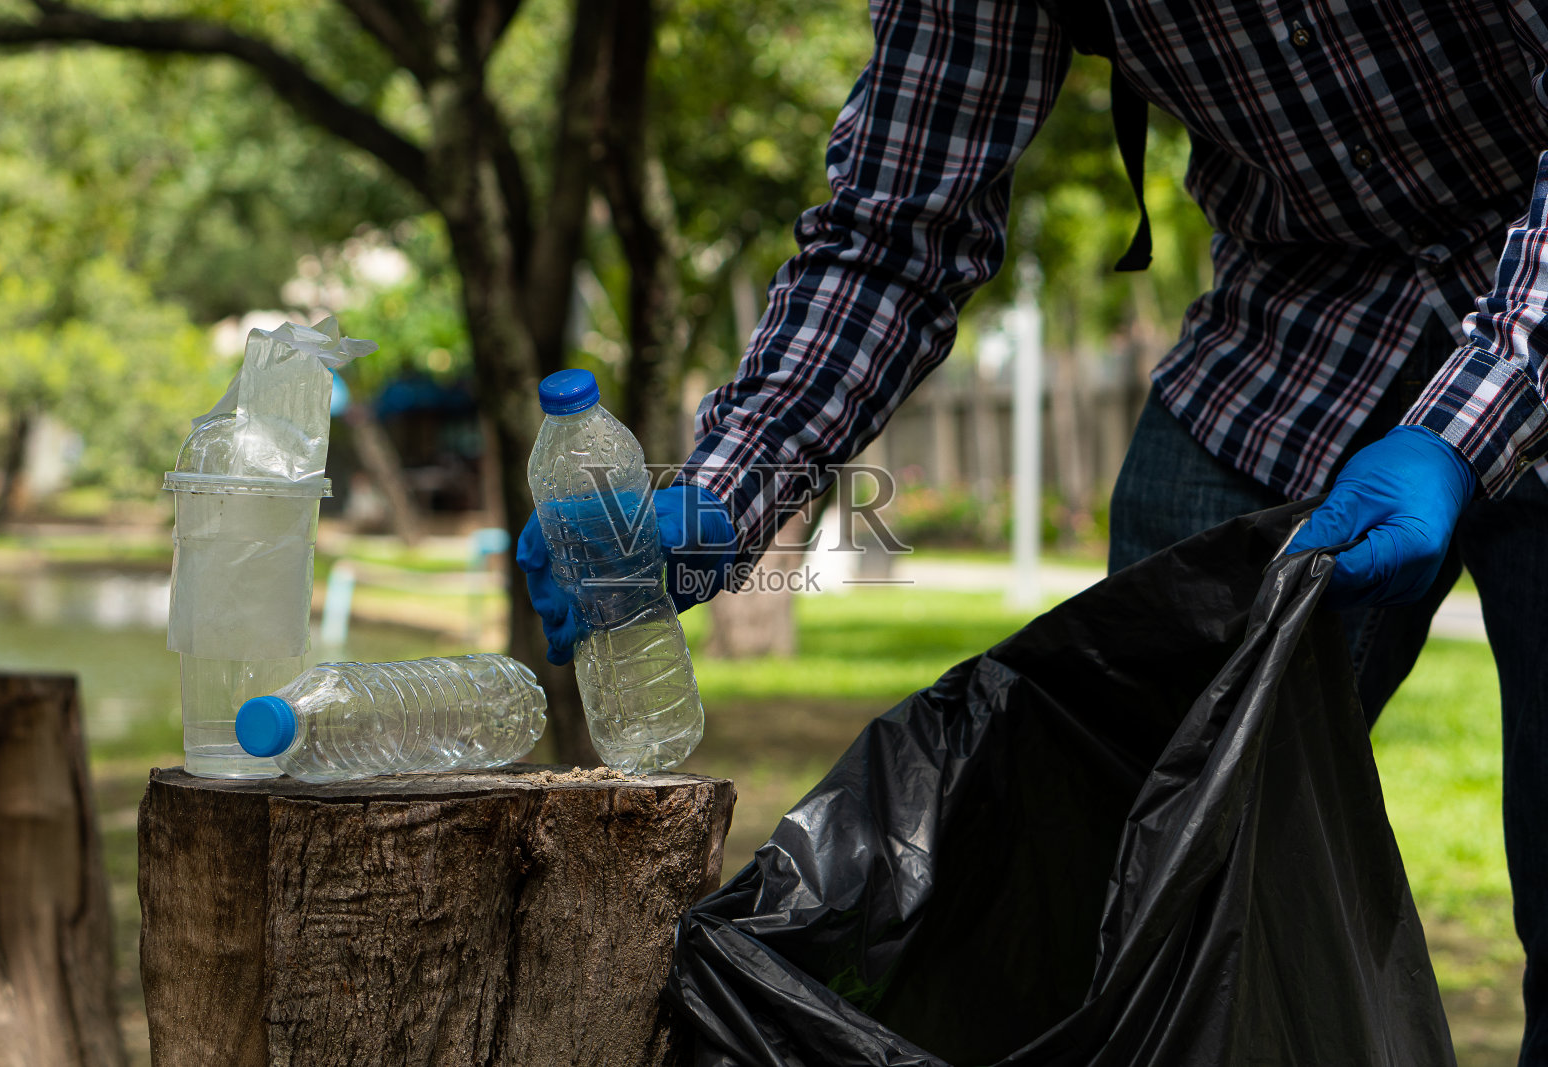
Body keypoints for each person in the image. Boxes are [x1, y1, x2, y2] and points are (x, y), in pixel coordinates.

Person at [518, 1, 1548, 1058]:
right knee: (1101, 878)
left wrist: (1472, 415)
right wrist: (722, 493)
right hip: (1294, 344)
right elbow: (893, 233)